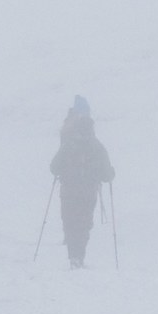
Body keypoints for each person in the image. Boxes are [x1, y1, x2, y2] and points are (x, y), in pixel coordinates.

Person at [49, 96, 115, 268]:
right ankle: (80, 256)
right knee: (84, 223)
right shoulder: (97, 146)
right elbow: (108, 175)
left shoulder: (68, 144)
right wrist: (108, 174)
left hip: (68, 191)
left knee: (70, 221)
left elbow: (54, 167)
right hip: (88, 192)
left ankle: (73, 257)